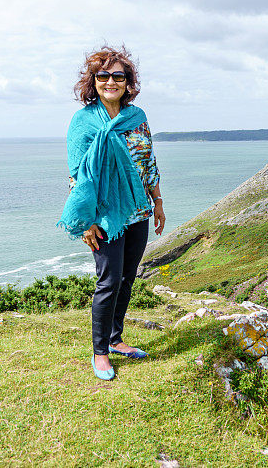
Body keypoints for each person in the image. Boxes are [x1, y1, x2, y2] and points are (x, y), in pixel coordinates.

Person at [57, 45, 166, 381]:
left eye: (118, 76)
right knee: (108, 282)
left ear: (127, 81)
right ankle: (100, 351)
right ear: (94, 80)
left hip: (138, 210)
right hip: (104, 216)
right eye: (103, 75)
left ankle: (116, 340)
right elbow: (78, 173)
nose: (111, 81)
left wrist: (158, 201)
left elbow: (147, 162)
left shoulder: (137, 117)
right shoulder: (84, 120)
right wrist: (85, 221)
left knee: (127, 278)